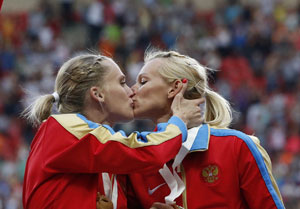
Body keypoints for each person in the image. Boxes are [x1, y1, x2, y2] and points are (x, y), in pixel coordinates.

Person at [21, 53, 204, 209]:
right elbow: (147, 152)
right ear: (98, 94)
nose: (131, 91)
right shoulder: (61, 129)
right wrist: (179, 120)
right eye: (122, 82)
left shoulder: (104, 149)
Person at [127, 49, 285, 209]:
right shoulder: (136, 158)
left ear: (174, 88)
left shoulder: (237, 147)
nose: (130, 90)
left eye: (143, 81)